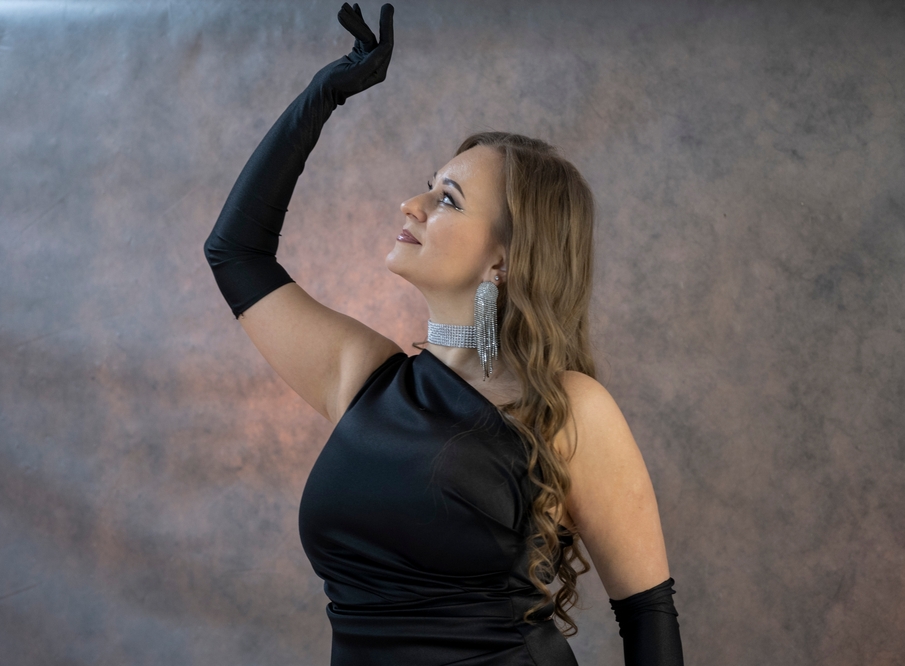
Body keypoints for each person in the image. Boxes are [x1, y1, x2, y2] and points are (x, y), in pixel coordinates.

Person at [203, 3, 684, 665]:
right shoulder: (364, 379)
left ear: (503, 260)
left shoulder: (570, 410)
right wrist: (324, 94)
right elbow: (235, 252)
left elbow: (649, 620)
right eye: (428, 187)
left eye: (448, 198)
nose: (413, 204)